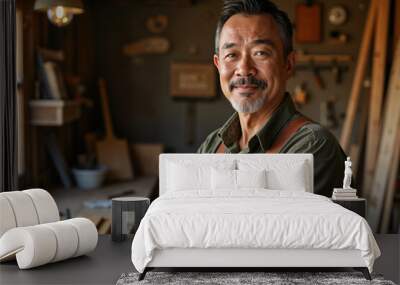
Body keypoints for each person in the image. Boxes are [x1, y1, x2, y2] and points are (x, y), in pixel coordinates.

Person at [197, 0, 347, 197]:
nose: (243, 68)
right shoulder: (212, 144)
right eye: (231, 54)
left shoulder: (312, 148)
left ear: (289, 64)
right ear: (218, 65)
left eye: (260, 53)